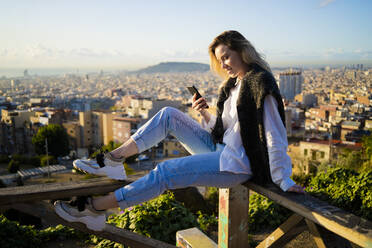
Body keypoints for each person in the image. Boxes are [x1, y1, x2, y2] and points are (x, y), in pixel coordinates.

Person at [54, 30, 304, 231]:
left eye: (226, 56)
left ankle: (96, 209)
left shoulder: (260, 83)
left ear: (242, 51)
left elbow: (274, 134)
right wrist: (205, 114)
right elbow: (228, 128)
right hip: (222, 148)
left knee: (166, 171)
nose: (223, 64)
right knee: (168, 115)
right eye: (220, 60)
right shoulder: (234, 85)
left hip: (238, 163)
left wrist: (283, 178)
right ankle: (114, 159)